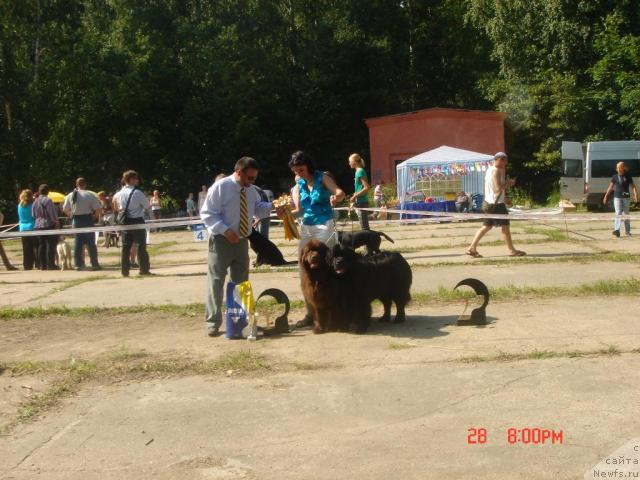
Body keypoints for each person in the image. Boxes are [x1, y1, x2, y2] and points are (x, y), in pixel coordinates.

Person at [200, 157, 273, 337]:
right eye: (250, 178)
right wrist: (225, 231)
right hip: (220, 241)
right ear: (239, 172)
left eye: (255, 178)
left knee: (241, 283)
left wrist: (275, 207)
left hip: (241, 241)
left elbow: (258, 209)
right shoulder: (220, 187)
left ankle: (241, 321)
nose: (252, 182)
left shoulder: (251, 190)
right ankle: (213, 322)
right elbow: (207, 213)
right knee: (216, 281)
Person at [285, 150, 345, 326]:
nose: (298, 174)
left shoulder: (323, 177)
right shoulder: (298, 186)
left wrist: (337, 197)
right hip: (307, 227)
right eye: (295, 171)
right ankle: (311, 313)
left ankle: (334, 309)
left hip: (325, 224)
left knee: (327, 266)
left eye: (301, 169)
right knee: (304, 268)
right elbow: (298, 210)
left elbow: (339, 192)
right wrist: (285, 213)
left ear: (309, 166)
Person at [466, 152, 525, 258]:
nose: (506, 164)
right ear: (500, 159)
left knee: (486, 227)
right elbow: (498, 189)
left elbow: (493, 189)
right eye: (505, 161)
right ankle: (512, 250)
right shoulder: (496, 171)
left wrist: (504, 198)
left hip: (490, 203)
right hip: (496, 205)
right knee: (505, 228)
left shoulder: (491, 169)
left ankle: (472, 248)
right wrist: (509, 184)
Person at [114, 170, 151, 277]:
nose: (137, 180)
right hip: (137, 220)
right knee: (141, 246)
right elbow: (147, 206)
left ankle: (125, 272)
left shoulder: (119, 194)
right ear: (130, 180)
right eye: (135, 178)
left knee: (126, 247)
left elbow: (118, 208)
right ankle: (143, 269)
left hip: (125, 222)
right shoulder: (137, 192)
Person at [62, 178, 102, 271]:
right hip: (87, 219)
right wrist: (94, 217)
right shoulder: (89, 195)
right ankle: (94, 263)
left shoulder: (70, 195)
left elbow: (64, 209)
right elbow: (98, 209)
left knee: (78, 243)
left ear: (76, 184)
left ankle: (77, 264)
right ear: (85, 185)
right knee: (91, 243)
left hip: (76, 220)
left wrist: (71, 215)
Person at [603, 161, 638, 237]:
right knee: (618, 213)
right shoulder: (614, 177)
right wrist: (606, 196)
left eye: (620, 167)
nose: (619, 169)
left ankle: (627, 231)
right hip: (617, 197)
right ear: (616, 169)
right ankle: (617, 230)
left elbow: (633, 187)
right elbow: (610, 187)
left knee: (626, 214)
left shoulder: (628, 176)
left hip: (626, 197)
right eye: (618, 168)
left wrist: (635, 195)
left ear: (623, 168)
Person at [32, 184, 60, 270]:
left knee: (41, 245)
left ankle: (42, 265)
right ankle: (50, 265)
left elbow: (33, 215)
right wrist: (56, 222)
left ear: (39, 191)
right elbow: (52, 214)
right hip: (48, 224)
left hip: (37, 225)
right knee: (50, 245)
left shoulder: (35, 201)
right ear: (48, 191)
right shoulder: (48, 200)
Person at [17, 189, 39, 270]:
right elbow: (35, 216)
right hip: (32, 226)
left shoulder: (19, 205)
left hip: (23, 228)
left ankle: (27, 265)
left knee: (26, 248)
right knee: (36, 247)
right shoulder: (33, 204)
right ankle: (38, 264)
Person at [348, 153, 371, 230]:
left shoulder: (360, 171)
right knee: (363, 226)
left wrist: (355, 196)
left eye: (350, 161)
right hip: (359, 201)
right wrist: (354, 197)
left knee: (364, 227)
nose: (349, 163)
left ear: (354, 162)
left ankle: (368, 241)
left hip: (362, 202)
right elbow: (359, 188)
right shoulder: (357, 171)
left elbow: (366, 187)